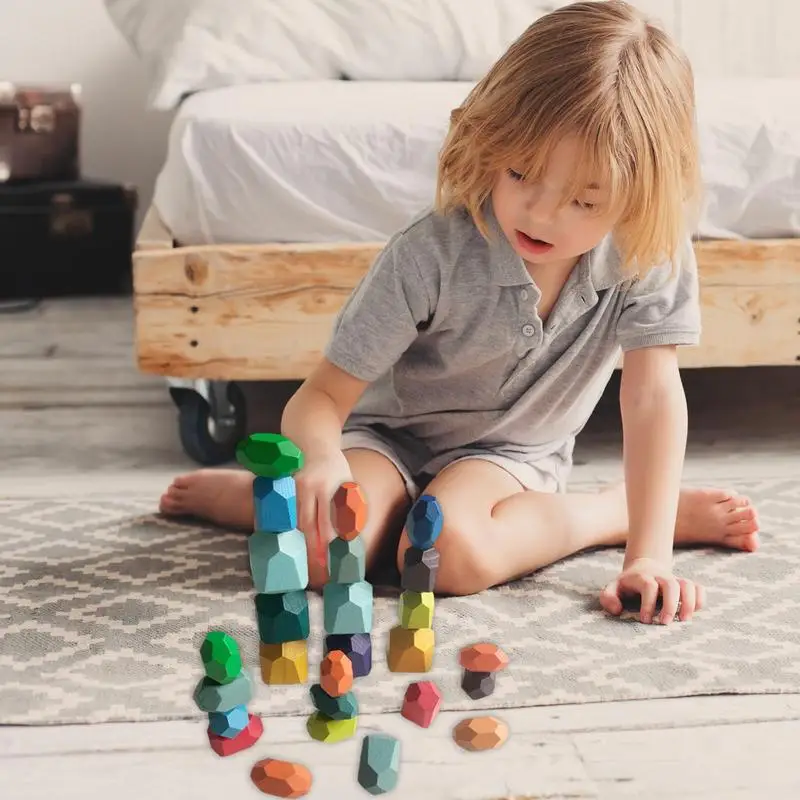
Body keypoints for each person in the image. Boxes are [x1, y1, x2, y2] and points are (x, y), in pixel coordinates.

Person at [160, 0, 760, 625]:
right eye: (521, 173)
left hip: (509, 458)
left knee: (444, 558)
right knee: (319, 558)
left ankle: (614, 511)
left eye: (584, 200)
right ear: (491, 139)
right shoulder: (431, 252)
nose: (540, 213)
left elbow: (652, 398)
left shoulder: (648, 248)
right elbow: (318, 401)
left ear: (638, 197)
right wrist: (319, 458)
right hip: (387, 438)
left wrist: (650, 553)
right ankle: (262, 498)